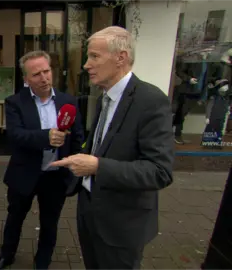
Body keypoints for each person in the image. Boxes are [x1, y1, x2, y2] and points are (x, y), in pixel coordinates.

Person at [51, 26, 174, 270]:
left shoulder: (150, 101)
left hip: (122, 224)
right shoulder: (104, 98)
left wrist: (97, 166)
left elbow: (160, 171)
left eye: (95, 56)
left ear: (121, 57)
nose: (86, 65)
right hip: (90, 212)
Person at [0, 50, 84, 270]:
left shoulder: (69, 102)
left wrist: (72, 169)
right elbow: (14, 136)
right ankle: (7, 255)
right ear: (26, 79)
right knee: (15, 218)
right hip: (24, 173)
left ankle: (42, 262)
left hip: (56, 176)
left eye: (47, 71)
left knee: (49, 223)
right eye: (36, 74)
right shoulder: (14, 102)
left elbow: (77, 137)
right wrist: (46, 136)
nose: (44, 78)